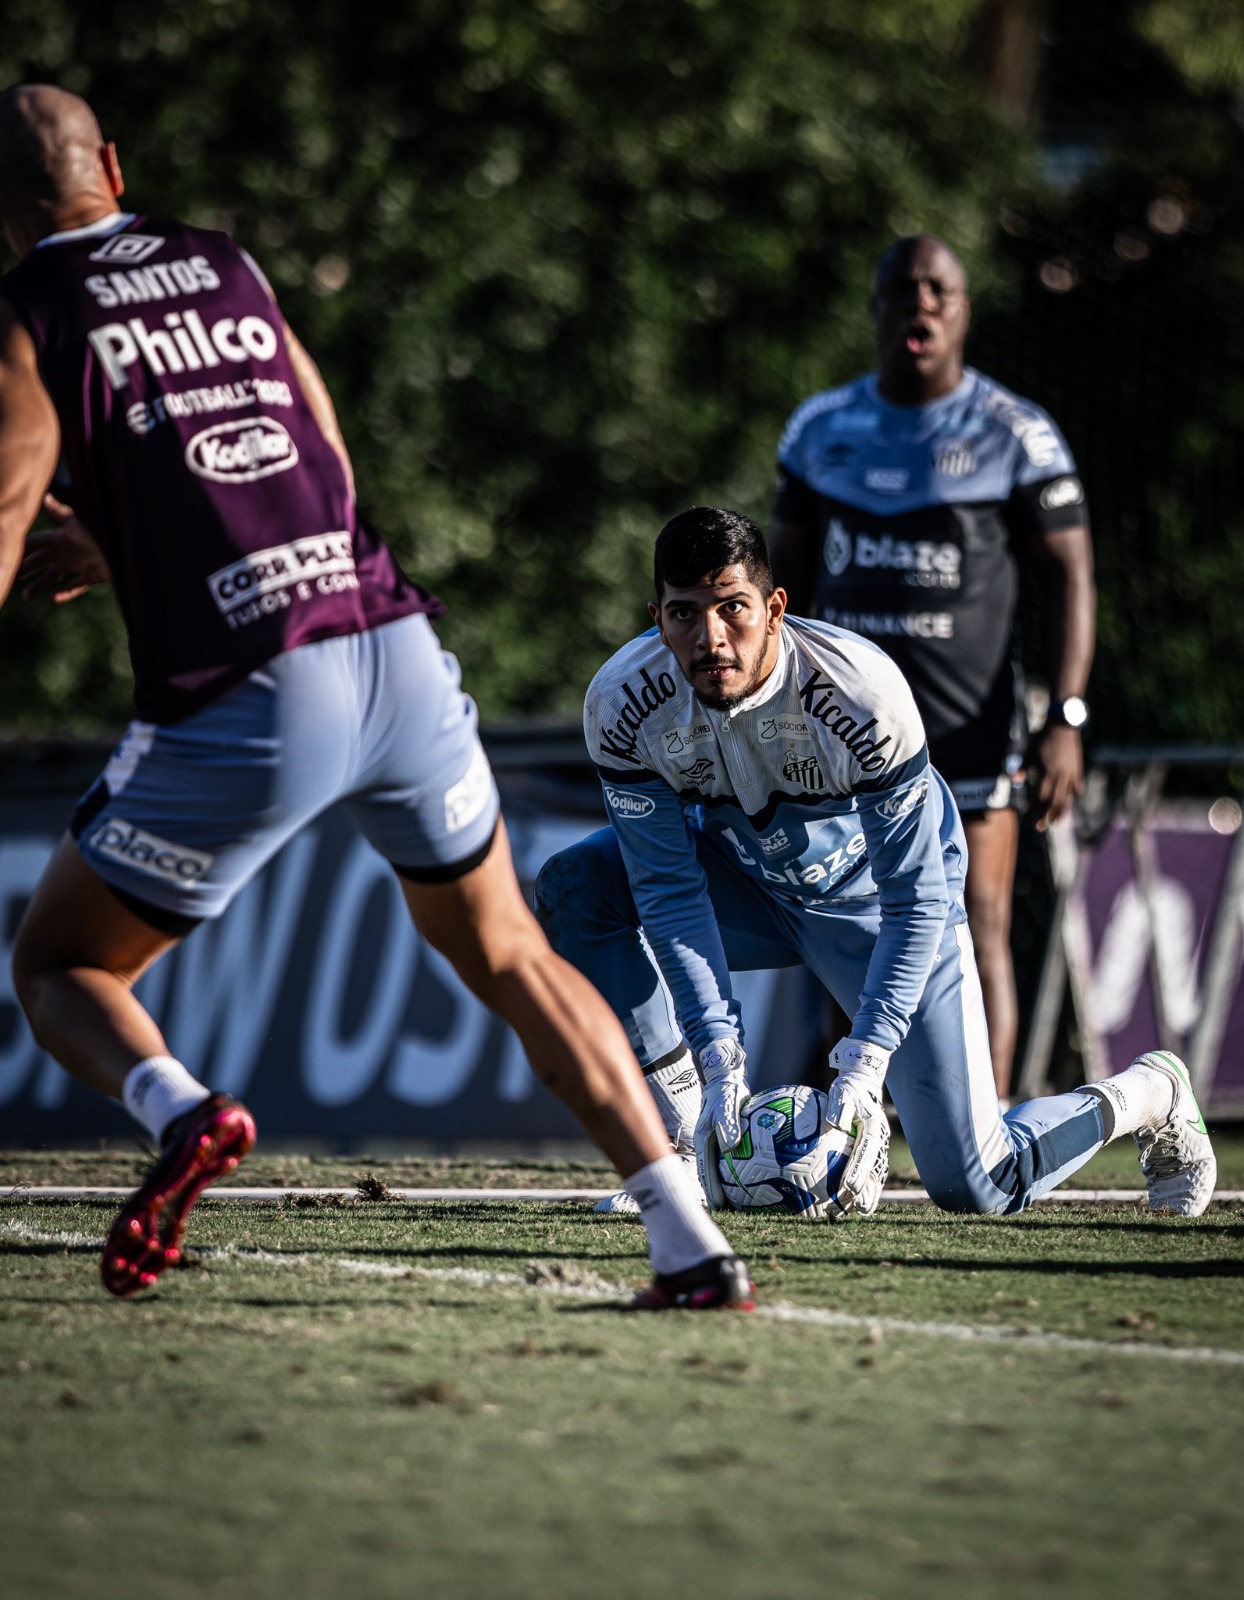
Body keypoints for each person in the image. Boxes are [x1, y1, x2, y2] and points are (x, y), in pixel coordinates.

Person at [0, 84, 751, 1311]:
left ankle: (182, 1113)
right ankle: (690, 1242)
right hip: (390, 640)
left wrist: (103, 541)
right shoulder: (225, 264)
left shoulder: (31, 309)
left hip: (255, 686)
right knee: (511, 953)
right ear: (115, 167)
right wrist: (138, 535)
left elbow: (6, 506)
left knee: (58, 963)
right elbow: (320, 451)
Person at [534, 506, 1215, 1220]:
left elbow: (915, 899)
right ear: (657, 618)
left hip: (877, 911)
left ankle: (1151, 1092)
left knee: (978, 1183)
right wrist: (717, 1066)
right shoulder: (622, 700)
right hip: (746, 887)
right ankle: (679, 1146)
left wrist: (864, 1066)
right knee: (577, 887)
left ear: (774, 608)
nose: (710, 638)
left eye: (732, 607)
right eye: (684, 614)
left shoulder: (859, 690)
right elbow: (668, 891)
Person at [768, 236, 1095, 1103]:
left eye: (938, 290)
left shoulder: (1015, 433)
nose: (920, 303)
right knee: (847, 927)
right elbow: (777, 588)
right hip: (841, 732)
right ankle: (854, 1128)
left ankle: (983, 1126)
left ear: (962, 310)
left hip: (969, 730)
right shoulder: (819, 429)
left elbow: (1071, 575)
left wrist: (1065, 717)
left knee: (976, 922)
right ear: (875, 308)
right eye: (903, 289)